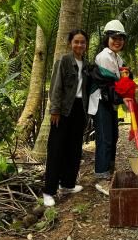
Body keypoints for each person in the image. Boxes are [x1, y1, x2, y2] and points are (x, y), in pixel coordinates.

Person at [43, 29, 90, 207]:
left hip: (79, 110)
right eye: (76, 41)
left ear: (86, 44)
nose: (79, 45)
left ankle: (68, 184)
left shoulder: (86, 64)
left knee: (74, 149)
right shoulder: (63, 61)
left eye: (82, 42)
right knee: (56, 150)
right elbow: (55, 87)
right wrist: (54, 110)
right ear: (70, 43)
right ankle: (49, 191)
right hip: (63, 110)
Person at [88, 19, 130, 196]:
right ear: (107, 39)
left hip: (110, 102)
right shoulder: (104, 56)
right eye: (114, 37)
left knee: (113, 135)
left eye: (120, 38)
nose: (117, 41)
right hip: (101, 101)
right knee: (105, 137)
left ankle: (109, 170)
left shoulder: (117, 57)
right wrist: (125, 96)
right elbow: (110, 85)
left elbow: (122, 79)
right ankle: (102, 176)